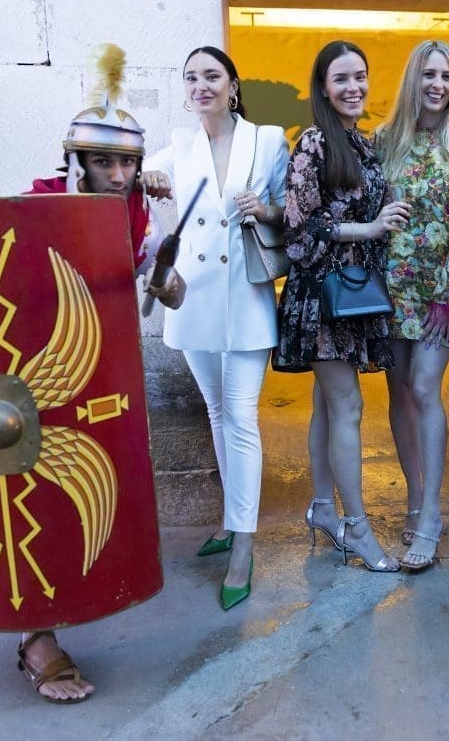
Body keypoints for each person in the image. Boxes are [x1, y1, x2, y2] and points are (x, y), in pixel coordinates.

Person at [0, 44, 181, 704]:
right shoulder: (32, 207)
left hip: (88, 383)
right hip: (13, 384)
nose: (118, 174)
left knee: (72, 503)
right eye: (104, 162)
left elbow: (169, 292)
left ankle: (69, 603)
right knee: (19, 504)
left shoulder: (135, 213)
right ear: (75, 161)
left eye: (128, 163)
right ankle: (35, 640)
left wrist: (165, 263)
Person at [141, 46, 289, 611]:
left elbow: (290, 211)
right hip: (195, 299)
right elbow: (136, 182)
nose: (201, 85)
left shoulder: (267, 140)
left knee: (242, 416)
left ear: (233, 84)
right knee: (217, 412)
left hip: (247, 296)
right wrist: (150, 181)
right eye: (191, 78)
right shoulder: (175, 148)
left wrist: (265, 209)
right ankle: (230, 520)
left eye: (212, 76)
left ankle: (244, 546)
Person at [274, 40, 410, 573]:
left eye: (360, 76)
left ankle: (324, 509)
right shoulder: (313, 142)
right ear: (323, 87)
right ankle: (357, 527)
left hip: (354, 294)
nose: (354, 87)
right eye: (341, 79)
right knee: (348, 407)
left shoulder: (362, 142)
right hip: (323, 297)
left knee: (329, 407)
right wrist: (369, 228)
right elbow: (300, 229)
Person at [373, 40, 449, 571]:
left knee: (423, 388)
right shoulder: (384, 140)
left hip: (442, 288)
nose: (437, 85)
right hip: (391, 284)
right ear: (412, 80)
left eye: (446, 75)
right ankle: (415, 500)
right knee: (397, 391)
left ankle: (433, 513)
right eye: (428, 74)